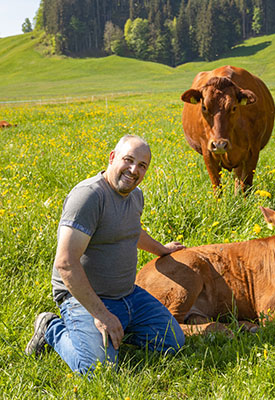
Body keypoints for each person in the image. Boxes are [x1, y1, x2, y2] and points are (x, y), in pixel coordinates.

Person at [25, 135, 186, 374]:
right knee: (99, 369)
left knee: (173, 341)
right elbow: (66, 263)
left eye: (142, 166)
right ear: (112, 158)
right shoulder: (89, 197)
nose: (134, 170)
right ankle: (52, 328)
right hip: (85, 299)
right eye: (128, 160)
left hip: (127, 295)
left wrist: (162, 249)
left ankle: (114, 331)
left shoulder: (135, 195)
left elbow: (133, 231)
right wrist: (101, 314)